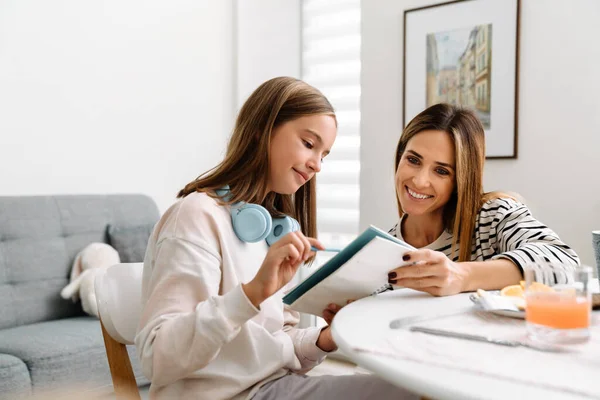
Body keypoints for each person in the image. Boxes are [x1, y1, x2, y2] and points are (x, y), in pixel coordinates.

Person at [135, 77, 416, 400]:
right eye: (309, 144)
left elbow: (275, 344)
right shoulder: (197, 216)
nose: (317, 165)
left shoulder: (274, 232)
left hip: (272, 388)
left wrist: (329, 337)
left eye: (324, 154)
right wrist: (252, 293)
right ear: (262, 131)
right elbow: (157, 358)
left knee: (410, 391)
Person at [387, 103, 579, 296]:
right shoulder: (383, 250)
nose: (420, 181)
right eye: (413, 160)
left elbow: (564, 261)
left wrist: (462, 275)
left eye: (441, 171)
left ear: (461, 179)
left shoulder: (493, 217)